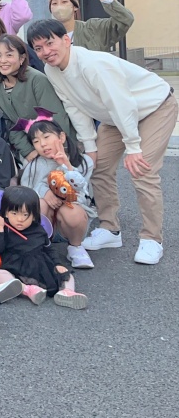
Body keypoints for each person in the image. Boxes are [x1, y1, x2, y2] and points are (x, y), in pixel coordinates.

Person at [27, 19, 177, 264]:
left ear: (66, 40)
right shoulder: (51, 70)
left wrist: (133, 147)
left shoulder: (91, 64)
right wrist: (91, 147)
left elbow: (122, 103)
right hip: (113, 117)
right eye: (39, 48)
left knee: (142, 169)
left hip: (154, 107)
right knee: (98, 167)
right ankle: (110, 229)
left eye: (50, 43)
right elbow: (74, 107)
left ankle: (152, 238)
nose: (46, 51)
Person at [0, 186, 87, 308]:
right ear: (5, 213)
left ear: (34, 215)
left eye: (25, 214)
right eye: (14, 213)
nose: (20, 219)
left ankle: (67, 292)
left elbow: (49, 249)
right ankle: (26, 290)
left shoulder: (38, 230)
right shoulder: (5, 229)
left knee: (67, 275)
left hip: (41, 266)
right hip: (16, 267)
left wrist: (58, 264)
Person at [20, 117, 96, 269]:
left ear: (61, 137)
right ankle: (42, 246)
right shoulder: (32, 165)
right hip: (46, 219)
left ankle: (75, 247)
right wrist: (45, 192)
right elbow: (25, 192)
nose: (43, 144)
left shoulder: (84, 161)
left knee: (73, 212)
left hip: (70, 221)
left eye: (46, 137)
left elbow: (81, 192)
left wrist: (66, 166)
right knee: (39, 203)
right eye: (36, 141)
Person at [0, 35, 74, 163]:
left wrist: (56, 149)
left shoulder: (37, 80)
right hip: (29, 149)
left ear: (22, 58)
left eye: (9, 55)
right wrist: (28, 151)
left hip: (59, 147)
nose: (3, 60)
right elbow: (10, 124)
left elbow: (57, 117)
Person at [48, 0, 134, 52]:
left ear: (75, 7)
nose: (59, 7)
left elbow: (125, 19)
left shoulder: (93, 29)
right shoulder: (45, 36)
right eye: (54, 3)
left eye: (64, 2)